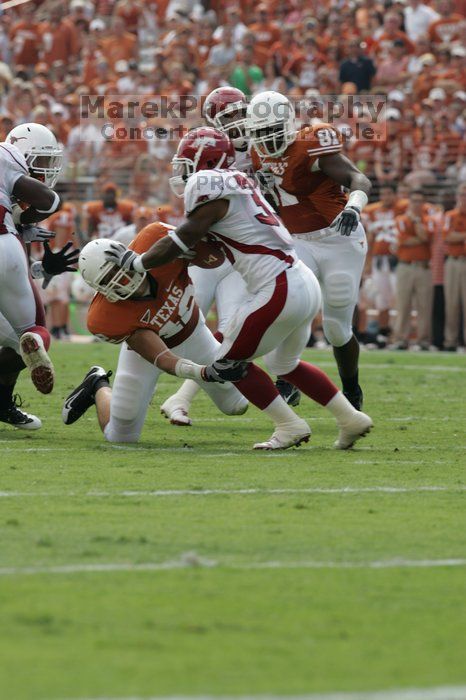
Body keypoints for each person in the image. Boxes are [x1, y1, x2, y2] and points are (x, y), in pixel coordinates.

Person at [104, 127, 373, 450]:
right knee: (284, 365)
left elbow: (182, 239)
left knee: (230, 364)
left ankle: (289, 425)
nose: (182, 171)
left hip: (278, 288)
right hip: (301, 279)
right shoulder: (238, 181)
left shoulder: (208, 185)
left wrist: (135, 263)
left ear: (207, 162)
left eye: (187, 162)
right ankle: (350, 418)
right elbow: (209, 245)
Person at [160, 87, 300, 429]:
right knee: (181, 319)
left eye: (240, 113)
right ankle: (157, 391)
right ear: (212, 123)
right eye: (227, 118)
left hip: (243, 254)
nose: (237, 123)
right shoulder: (209, 151)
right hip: (213, 251)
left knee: (228, 330)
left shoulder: (265, 144)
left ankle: (182, 398)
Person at [63, 221, 249, 443]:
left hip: (193, 333)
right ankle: (98, 385)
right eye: (108, 279)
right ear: (101, 291)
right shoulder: (107, 317)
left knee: (236, 405)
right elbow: (162, 358)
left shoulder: (155, 242)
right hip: (144, 354)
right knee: (121, 437)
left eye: (118, 269)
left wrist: (194, 250)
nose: (122, 279)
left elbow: (212, 255)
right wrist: (202, 372)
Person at [247, 91, 372, 411]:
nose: (265, 139)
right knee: (290, 306)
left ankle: (353, 390)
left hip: (339, 238)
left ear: (287, 124)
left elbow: (358, 178)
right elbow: (276, 204)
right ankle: (285, 382)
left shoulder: (311, 144)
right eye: (259, 132)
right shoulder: (258, 155)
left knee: (335, 327)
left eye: (271, 130)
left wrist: (354, 208)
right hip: (299, 240)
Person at [0, 122, 78, 429]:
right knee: (32, 335)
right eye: (42, 161)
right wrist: (19, 219)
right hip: (4, 244)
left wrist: (43, 269)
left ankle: (3, 405)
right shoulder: (7, 159)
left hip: (8, 255)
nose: (46, 169)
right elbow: (50, 200)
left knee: (17, 344)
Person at [392, 189, 434, 350]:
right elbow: (403, 240)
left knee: (424, 306)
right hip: (405, 266)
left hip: (423, 267)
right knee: (403, 305)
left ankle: (423, 341)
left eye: (419, 201)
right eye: (414, 200)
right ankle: (401, 339)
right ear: (409, 202)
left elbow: (425, 238)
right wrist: (417, 237)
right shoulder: (401, 219)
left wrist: (416, 222)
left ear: (423, 203)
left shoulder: (428, 219)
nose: (416, 204)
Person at [363, 184, 399, 338]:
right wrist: (368, 263)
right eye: (383, 194)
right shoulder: (373, 211)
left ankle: (398, 334)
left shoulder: (403, 208)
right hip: (379, 260)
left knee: (397, 298)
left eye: (389, 193)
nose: (386, 197)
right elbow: (370, 239)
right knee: (381, 299)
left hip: (396, 260)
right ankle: (384, 333)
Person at [442, 183, 466, 350]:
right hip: (453, 261)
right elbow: (448, 236)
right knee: (451, 303)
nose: (464, 198)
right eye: (462, 195)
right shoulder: (450, 215)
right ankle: (450, 341)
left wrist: (459, 236)